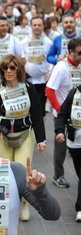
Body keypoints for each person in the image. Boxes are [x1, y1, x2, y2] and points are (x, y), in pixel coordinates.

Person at [0, 54, 46, 221]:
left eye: (12, 67)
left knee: (21, 171)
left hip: (25, 135)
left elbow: (36, 113)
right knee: (5, 173)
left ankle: (24, 203)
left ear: (19, 69)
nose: (8, 71)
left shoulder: (28, 88)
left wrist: (41, 139)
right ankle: (9, 204)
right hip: (4, 138)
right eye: (5, 68)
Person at [45, 38, 81, 189]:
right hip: (64, 114)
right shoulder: (61, 67)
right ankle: (58, 175)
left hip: (78, 113)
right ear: (71, 52)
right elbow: (49, 90)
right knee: (61, 146)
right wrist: (61, 112)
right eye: (80, 52)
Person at [55, 83, 81, 221]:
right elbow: (62, 114)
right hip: (75, 143)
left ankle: (80, 208)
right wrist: (59, 131)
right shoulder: (73, 93)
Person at [20, 17, 52, 120]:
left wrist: (51, 72)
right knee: (28, 109)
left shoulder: (48, 42)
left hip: (43, 81)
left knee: (41, 111)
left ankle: (40, 135)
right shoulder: (24, 41)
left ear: (43, 26)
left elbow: (51, 59)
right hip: (28, 80)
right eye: (34, 25)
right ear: (31, 26)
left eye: (39, 25)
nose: (37, 27)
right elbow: (20, 58)